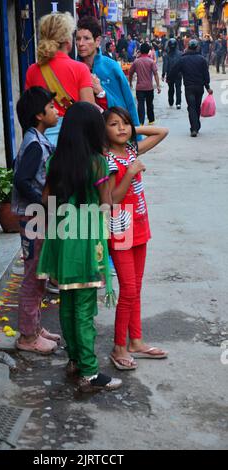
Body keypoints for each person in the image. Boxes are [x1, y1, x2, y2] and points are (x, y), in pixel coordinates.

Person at [36, 102, 122, 393]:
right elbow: (106, 204)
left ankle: (74, 360)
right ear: (92, 130)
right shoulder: (97, 162)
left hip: (61, 241)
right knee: (84, 308)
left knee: (68, 304)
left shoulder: (55, 160)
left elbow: (46, 200)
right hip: (86, 243)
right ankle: (89, 372)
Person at [103, 106, 168, 369]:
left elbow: (162, 131)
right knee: (128, 290)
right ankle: (119, 346)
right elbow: (110, 200)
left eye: (124, 124)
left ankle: (136, 341)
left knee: (136, 288)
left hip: (140, 225)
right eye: (114, 124)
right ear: (102, 130)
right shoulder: (106, 159)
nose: (121, 128)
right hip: (120, 227)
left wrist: (132, 130)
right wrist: (129, 174)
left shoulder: (131, 150)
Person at [11, 86, 61, 354]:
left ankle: (36, 327)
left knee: (40, 274)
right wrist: (41, 202)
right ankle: (27, 337)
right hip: (33, 217)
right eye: (51, 107)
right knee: (32, 276)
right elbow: (21, 180)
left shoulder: (37, 139)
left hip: (38, 216)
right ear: (39, 115)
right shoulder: (33, 144)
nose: (56, 111)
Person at [25, 12, 95, 146]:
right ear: (68, 41)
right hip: (73, 141)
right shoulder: (80, 69)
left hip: (41, 142)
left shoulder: (32, 70)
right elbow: (89, 113)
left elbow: (29, 112)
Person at [76, 16, 140, 128]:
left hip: (115, 132)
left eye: (86, 38)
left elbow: (129, 103)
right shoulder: (73, 69)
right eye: (78, 39)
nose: (81, 43)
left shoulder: (111, 67)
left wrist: (101, 92)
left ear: (97, 41)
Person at [168, 39, 213, 137]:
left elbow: (174, 70)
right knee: (197, 106)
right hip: (199, 88)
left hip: (189, 88)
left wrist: (169, 79)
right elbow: (206, 75)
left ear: (188, 47)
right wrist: (208, 87)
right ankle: (196, 126)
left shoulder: (183, 59)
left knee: (191, 107)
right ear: (197, 47)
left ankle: (194, 128)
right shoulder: (202, 59)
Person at [129, 42, 161, 126]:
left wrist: (130, 82)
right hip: (149, 87)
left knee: (140, 104)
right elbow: (155, 74)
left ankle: (141, 122)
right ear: (148, 51)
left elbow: (130, 73)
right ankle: (151, 120)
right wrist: (158, 86)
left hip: (139, 87)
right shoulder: (151, 62)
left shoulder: (136, 62)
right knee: (150, 104)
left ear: (140, 51)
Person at [162, 38, 182, 109]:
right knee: (178, 88)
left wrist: (163, 74)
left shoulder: (167, 55)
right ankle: (178, 103)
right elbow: (183, 64)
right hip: (178, 74)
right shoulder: (180, 54)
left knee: (171, 88)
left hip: (170, 75)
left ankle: (171, 101)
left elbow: (165, 65)